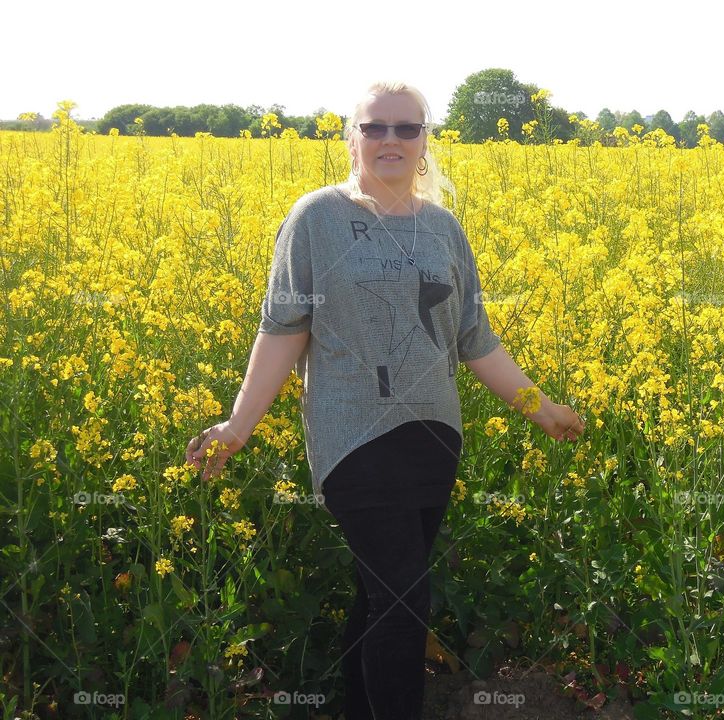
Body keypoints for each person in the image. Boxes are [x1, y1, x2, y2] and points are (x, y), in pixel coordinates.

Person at [184, 80, 585, 720]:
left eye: (406, 128)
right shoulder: (316, 217)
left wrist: (543, 409)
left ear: (425, 141)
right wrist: (239, 425)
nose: (390, 139)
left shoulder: (444, 229)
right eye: (375, 128)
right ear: (353, 140)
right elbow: (284, 329)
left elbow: (476, 341)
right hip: (353, 438)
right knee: (405, 597)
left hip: (433, 437)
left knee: (383, 597)